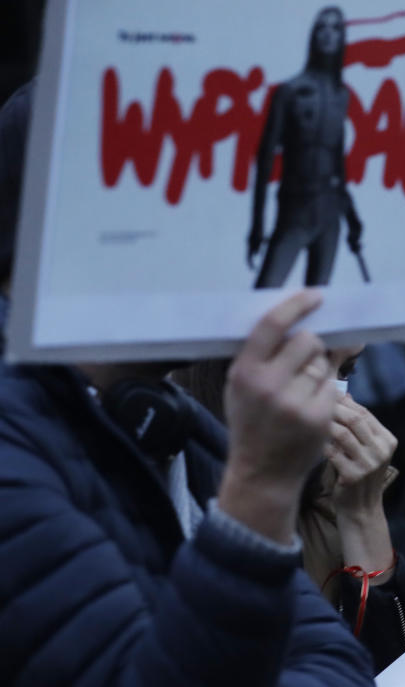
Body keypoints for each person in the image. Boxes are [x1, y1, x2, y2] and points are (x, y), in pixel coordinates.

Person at [0, 82, 373, 685]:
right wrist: (258, 493)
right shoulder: (17, 441)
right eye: (167, 197)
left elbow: (338, 667)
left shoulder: (186, 436)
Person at [175, 348, 405, 673]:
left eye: (346, 372)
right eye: (310, 369)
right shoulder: (170, 493)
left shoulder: (338, 490)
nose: (337, 399)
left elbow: (404, 671)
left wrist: (363, 514)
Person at [247, 6, 364, 288]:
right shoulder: (289, 91)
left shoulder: (342, 95)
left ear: (342, 38)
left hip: (330, 212)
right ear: (313, 35)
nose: (328, 34)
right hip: (294, 208)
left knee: (316, 303)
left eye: (336, 28)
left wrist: (352, 216)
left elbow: (338, 162)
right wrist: (257, 224)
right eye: (321, 27)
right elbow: (264, 160)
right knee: (264, 296)